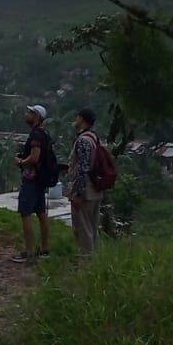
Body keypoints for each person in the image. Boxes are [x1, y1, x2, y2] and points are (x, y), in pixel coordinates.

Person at [10, 104, 56, 262]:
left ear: (36, 116)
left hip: (31, 179)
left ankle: (29, 251)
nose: (26, 115)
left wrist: (21, 162)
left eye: (29, 112)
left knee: (26, 214)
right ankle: (44, 249)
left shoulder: (36, 135)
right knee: (41, 213)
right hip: (41, 179)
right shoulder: (45, 133)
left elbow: (35, 157)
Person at [66, 107, 104, 257]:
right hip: (95, 189)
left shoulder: (83, 140)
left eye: (77, 117)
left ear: (82, 119)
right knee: (92, 227)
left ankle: (86, 260)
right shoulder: (94, 138)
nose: (75, 120)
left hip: (85, 192)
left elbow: (83, 168)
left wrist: (77, 193)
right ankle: (95, 260)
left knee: (82, 228)